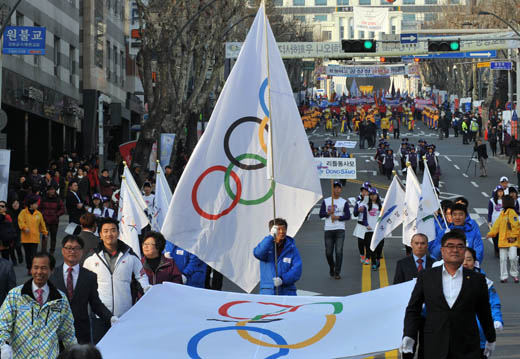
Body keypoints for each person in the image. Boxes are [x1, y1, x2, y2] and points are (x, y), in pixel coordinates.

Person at [401, 230, 496, 359]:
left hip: (467, 347)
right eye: (450, 246)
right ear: (442, 250)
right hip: (433, 345)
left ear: (464, 250)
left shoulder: (477, 279)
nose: (455, 250)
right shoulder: (427, 276)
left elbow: (484, 312)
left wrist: (490, 339)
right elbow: (413, 309)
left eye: (460, 246)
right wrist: (409, 335)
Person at [83, 217, 149, 343]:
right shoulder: (91, 258)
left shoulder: (130, 255)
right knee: (100, 351)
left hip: (124, 315)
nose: (109, 234)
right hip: (99, 317)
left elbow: (141, 277)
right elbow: (84, 283)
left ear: (118, 232)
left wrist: (146, 287)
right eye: (106, 231)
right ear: (100, 234)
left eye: (113, 230)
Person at [0, 252, 77, 359]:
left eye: (44, 268)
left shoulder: (60, 299)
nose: (39, 272)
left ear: (51, 270)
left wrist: (75, 354)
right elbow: (2, 326)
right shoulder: (15, 295)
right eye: (35, 267)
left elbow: (68, 333)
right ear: (31, 269)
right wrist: (3, 346)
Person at [49, 235, 114, 344]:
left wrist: (111, 318)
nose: (72, 251)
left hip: (81, 332)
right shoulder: (51, 276)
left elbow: (96, 304)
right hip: (56, 332)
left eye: (76, 248)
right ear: (63, 250)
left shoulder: (89, 276)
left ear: (82, 251)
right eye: (69, 248)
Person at [394, 233, 435, 359]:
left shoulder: (435, 264)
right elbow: (397, 286)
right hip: (410, 311)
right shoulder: (402, 264)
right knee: (408, 344)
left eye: (423, 243)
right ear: (411, 245)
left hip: (428, 312)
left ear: (427, 245)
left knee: (426, 344)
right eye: (416, 243)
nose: (419, 246)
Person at [462, 248, 504, 358]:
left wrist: (497, 319)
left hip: (480, 336)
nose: (465, 263)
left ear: (475, 262)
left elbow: (494, 304)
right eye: (462, 259)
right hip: (456, 336)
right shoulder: (448, 281)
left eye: (469, 259)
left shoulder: (486, 282)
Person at [253, 218, 302, 295]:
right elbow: (258, 253)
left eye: (284, 229)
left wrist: (283, 279)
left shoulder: (291, 248)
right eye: (278, 229)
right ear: (272, 231)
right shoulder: (266, 246)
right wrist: (270, 237)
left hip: (287, 292)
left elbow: (297, 269)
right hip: (268, 292)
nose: (282, 232)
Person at [318, 181, 351, 279]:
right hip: (328, 229)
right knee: (328, 252)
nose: (337, 190)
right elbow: (321, 215)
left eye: (338, 188)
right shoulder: (326, 201)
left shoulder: (343, 202)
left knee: (339, 251)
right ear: (332, 189)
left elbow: (348, 216)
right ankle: (332, 266)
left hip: (340, 229)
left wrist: (338, 217)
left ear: (341, 189)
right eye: (335, 188)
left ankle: (337, 272)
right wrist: (328, 213)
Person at [486, 195, 519, 283]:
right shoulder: (502, 214)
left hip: (513, 240)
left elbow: (516, 226)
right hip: (503, 240)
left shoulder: (512, 213)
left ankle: (514, 274)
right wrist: (491, 233)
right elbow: (496, 225)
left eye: (503, 202)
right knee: (503, 259)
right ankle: (503, 276)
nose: (502, 203)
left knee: (512, 257)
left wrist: (513, 236)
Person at [18, 195, 48, 275]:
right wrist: (24, 228)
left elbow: (42, 224)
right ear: (31, 204)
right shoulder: (23, 212)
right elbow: (20, 222)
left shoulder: (38, 214)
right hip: (26, 238)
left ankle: (32, 268)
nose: (37, 205)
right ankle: (29, 267)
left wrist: (45, 233)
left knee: (34, 255)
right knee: (28, 255)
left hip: (35, 238)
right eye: (35, 204)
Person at [40, 186, 65, 253]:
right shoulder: (43, 198)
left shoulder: (58, 199)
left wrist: (57, 214)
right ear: (48, 191)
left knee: (53, 237)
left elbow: (62, 209)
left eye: (53, 190)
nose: (52, 191)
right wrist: (43, 214)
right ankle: (43, 251)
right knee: (45, 236)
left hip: (54, 221)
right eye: (51, 190)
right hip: (45, 220)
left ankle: (52, 251)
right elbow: (40, 208)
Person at [353, 185, 371, 265]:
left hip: (369, 224)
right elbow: (354, 214)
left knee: (368, 242)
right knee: (360, 242)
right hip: (360, 224)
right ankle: (362, 255)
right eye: (362, 191)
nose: (364, 193)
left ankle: (368, 257)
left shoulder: (371, 202)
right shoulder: (358, 202)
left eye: (366, 191)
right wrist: (358, 210)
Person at [487, 186, 504, 258]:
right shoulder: (492, 200)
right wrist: (489, 221)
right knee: (495, 237)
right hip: (494, 221)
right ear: (496, 192)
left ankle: (501, 249)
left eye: (501, 191)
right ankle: (496, 250)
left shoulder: (505, 200)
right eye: (499, 191)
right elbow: (490, 212)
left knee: (502, 236)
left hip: (503, 222)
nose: (500, 193)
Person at [7, 200, 23, 265]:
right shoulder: (8, 212)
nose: (15, 205)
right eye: (13, 203)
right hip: (10, 231)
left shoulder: (22, 212)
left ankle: (20, 255)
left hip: (19, 231)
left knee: (18, 245)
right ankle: (14, 260)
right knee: (11, 247)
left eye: (17, 203)